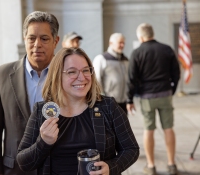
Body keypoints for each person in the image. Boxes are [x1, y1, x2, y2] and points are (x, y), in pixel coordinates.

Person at [16, 48, 140, 175]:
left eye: (86, 70)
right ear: (57, 76)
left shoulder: (108, 107)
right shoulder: (42, 112)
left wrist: (111, 167)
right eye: (72, 72)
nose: (82, 78)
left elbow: (131, 149)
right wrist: (43, 143)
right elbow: (23, 163)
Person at [0, 11, 60, 175]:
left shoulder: (69, 74)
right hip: (15, 170)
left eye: (44, 39)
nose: (37, 44)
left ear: (55, 41)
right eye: (31, 38)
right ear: (25, 39)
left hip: (58, 168)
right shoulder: (0, 76)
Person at [127, 23, 180, 175]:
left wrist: (130, 99)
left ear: (140, 36)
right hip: (165, 94)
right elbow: (176, 73)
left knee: (148, 130)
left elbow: (131, 78)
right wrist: (172, 90)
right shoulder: (167, 49)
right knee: (168, 128)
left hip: (147, 97)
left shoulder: (137, 52)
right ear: (152, 34)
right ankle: (171, 164)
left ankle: (151, 166)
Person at [93, 33, 128, 114]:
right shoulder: (101, 59)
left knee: (123, 126)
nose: (122, 45)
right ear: (111, 43)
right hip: (108, 102)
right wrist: (101, 99)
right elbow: (96, 80)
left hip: (123, 102)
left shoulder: (126, 60)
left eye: (123, 43)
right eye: (120, 43)